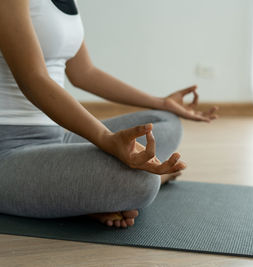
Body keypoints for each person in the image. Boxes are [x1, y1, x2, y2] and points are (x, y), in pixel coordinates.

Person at [0, 0, 218, 228]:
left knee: (166, 121)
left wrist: (162, 102)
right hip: (7, 149)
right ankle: (101, 193)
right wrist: (106, 139)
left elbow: (84, 73)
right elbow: (34, 79)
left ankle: (86, 195)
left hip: (56, 136)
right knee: (142, 181)